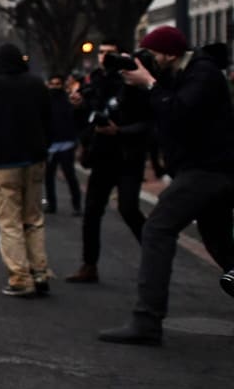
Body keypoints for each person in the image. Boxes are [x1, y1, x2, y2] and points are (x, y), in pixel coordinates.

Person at [99, 27, 234, 345]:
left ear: (171, 55)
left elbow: (179, 113)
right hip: (203, 169)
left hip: (209, 169)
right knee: (217, 239)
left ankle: (146, 321)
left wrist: (149, 83)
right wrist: (132, 82)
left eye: (152, 55)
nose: (148, 60)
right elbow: (149, 112)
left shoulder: (203, 73)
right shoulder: (175, 75)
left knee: (157, 228)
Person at [0, 44, 53, 297]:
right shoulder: (36, 83)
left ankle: (20, 277)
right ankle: (40, 271)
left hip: (4, 158)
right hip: (34, 156)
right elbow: (48, 115)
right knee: (34, 218)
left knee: (9, 221)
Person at [66, 42, 149, 284]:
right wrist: (79, 107)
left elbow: (148, 123)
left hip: (128, 156)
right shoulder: (95, 82)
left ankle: (156, 255)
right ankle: (89, 265)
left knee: (128, 208)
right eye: (101, 52)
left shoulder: (134, 81)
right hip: (102, 155)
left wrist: (120, 131)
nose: (104, 57)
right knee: (92, 211)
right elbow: (86, 119)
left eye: (110, 53)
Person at [44, 74, 83, 215]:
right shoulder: (45, 102)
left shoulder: (68, 100)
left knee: (70, 175)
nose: (55, 87)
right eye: (52, 84)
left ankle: (77, 205)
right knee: (48, 177)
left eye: (58, 84)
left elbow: (76, 120)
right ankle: (51, 204)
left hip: (66, 143)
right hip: (50, 145)